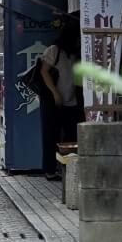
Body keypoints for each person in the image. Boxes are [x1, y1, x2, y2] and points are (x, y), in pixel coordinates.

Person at [40, 21, 83, 180]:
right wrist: (55, 93)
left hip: (71, 100)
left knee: (71, 135)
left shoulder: (75, 54)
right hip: (53, 100)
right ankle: (50, 169)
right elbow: (43, 72)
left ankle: (68, 168)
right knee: (51, 135)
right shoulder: (54, 51)